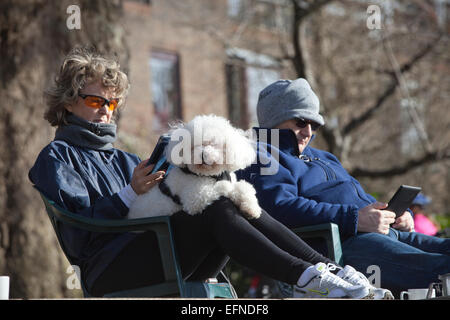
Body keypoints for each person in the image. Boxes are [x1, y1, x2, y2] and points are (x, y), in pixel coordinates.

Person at [28, 47, 390, 299]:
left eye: (112, 103)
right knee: (215, 206)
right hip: (108, 267)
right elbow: (79, 234)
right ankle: (307, 279)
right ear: (68, 101)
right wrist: (129, 194)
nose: (106, 111)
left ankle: (327, 272)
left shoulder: (124, 158)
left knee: (232, 196)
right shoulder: (57, 157)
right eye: (95, 101)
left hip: (158, 248)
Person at [237, 78, 450, 297]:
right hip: (341, 247)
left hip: (382, 234)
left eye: (315, 124)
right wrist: (354, 219)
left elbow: (357, 198)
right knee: (440, 269)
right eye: (301, 121)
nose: (308, 132)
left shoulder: (323, 156)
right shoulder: (262, 155)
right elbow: (278, 208)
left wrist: (389, 214)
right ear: (274, 119)